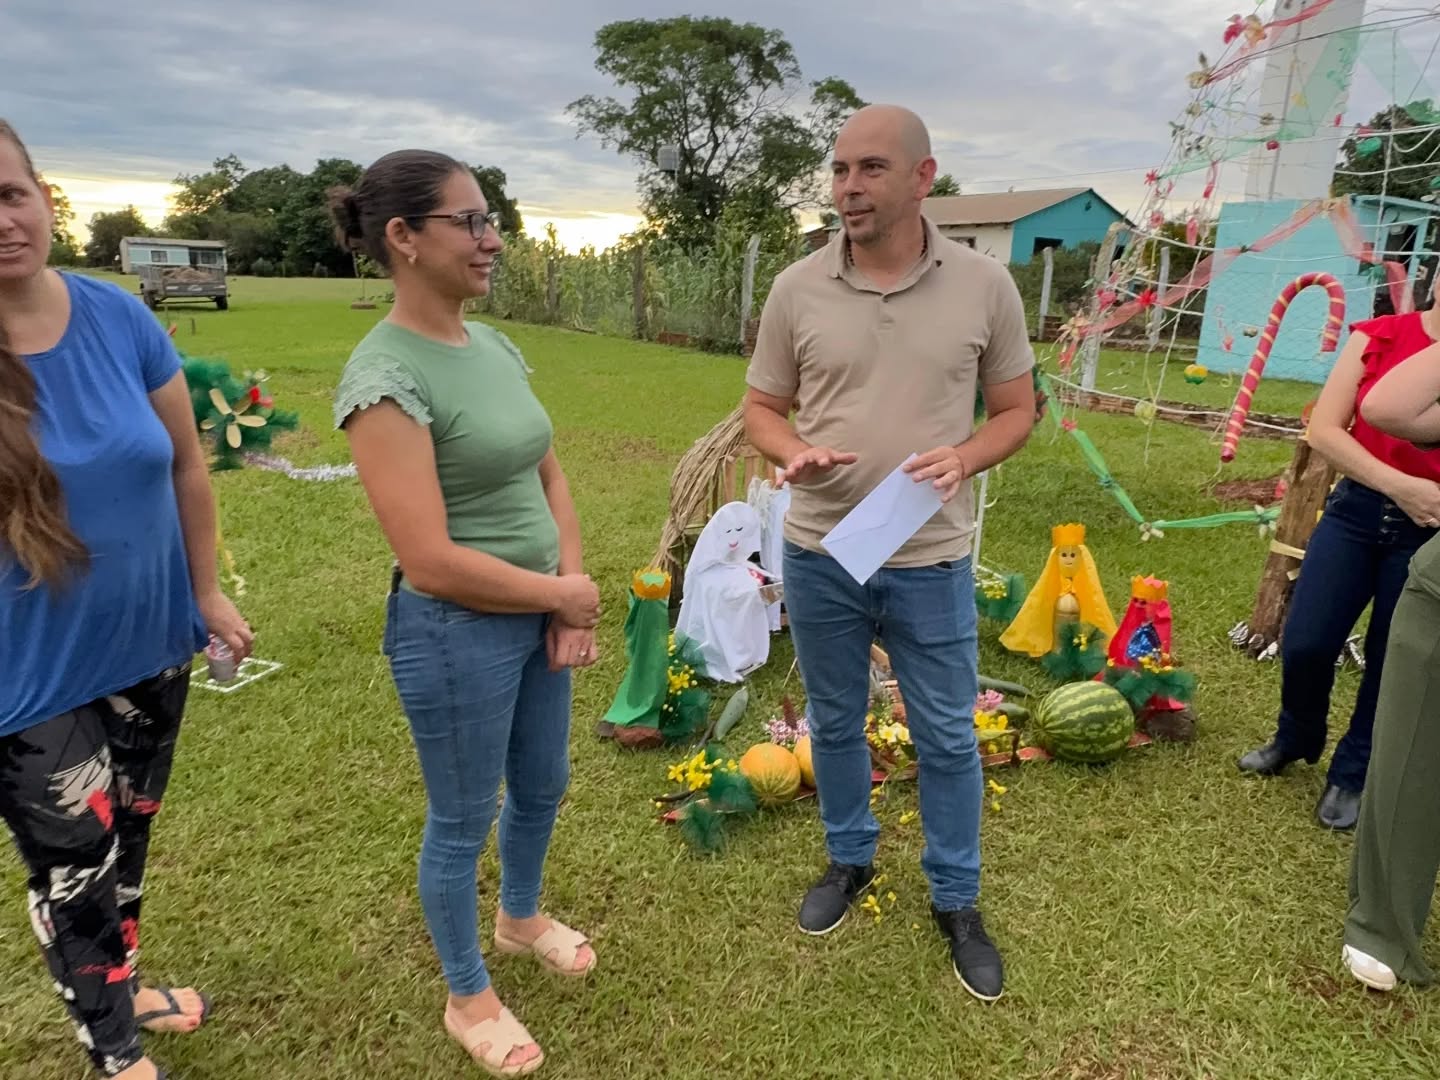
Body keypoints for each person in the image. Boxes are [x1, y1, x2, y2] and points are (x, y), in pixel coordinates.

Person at [743, 104, 1036, 1002]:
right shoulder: (797, 287)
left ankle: (956, 898)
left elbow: (1016, 411)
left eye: (870, 168)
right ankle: (849, 859)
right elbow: (761, 409)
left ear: (922, 177)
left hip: (930, 555)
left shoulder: (985, 285)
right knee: (834, 722)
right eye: (839, 170)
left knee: (946, 734)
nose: (848, 187)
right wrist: (789, 451)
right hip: (821, 551)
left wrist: (967, 456)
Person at [330, 149, 600, 1077]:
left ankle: (520, 919)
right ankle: (467, 995)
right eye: (471, 222)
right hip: (454, 632)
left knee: (544, 784)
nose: (493, 240)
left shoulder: (493, 347)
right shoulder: (383, 376)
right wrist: (558, 595)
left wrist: (568, 592)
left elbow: (549, 473)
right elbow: (429, 559)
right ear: (403, 238)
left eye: (493, 220)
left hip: (538, 614)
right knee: (461, 817)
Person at [0, 120, 253, 1080]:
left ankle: (123, 981)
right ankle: (115, 1051)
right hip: (30, 676)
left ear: (43, 197)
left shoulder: (118, 317)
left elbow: (186, 464)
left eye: (10, 194)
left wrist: (206, 592)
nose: (2, 221)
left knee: (128, 833)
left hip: (151, 640)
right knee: (75, 865)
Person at [1237, 271, 1440, 831]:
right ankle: (1297, 735)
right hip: (1356, 511)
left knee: (1390, 658)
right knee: (1306, 641)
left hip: (1430, 530)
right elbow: (1325, 431)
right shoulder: (1379, 335)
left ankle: (1352, 772)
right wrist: (1399, 485)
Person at [1339, 299, 1440, 991]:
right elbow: (1384, 407)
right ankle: (1381, 926)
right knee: (1410, 756)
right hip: (1421, 565)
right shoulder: (1384, 336)